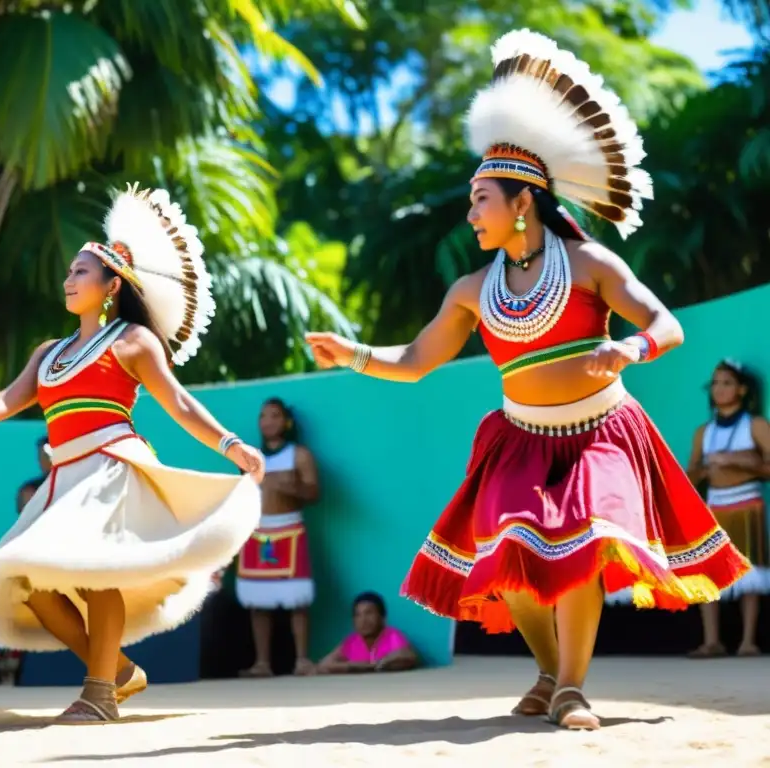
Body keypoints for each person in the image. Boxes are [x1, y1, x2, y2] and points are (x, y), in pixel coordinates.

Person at [304, 30, 750, 731]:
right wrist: (353, 353)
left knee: (584, 538)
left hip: (604, 429)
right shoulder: (471, 289)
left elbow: (667, 323)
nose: (471, 211)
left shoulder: (591, 263)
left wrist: (630, 350)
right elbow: (417, 360)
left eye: (481, 198)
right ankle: (548, 670)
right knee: (506, 551)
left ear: (522, 202)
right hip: (519, 437)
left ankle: (572, 687)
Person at [0, 184, 265, 723]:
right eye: (69, 272)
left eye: (81, 271)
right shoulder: (48, 352)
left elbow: (177, 402)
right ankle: (118, 671)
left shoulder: (133, 341)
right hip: (63, 477)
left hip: (111, 465)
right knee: (25, 584)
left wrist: (229, 443)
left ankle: (99, 692)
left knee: (98, 573)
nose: (69, 279)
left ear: (111, 286)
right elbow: (8, 402)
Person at [686, 359, 769, 657]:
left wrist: (738, 461)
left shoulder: (755, 426)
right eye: (716, 383)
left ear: (743, 389)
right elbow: (691, 474)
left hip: (747, 505)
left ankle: (748, 641)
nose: (719, 389)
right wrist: (702, 473)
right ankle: (712, 640)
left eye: (727, 383)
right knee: (708, 574)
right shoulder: (703, 432)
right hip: (714, 507)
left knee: (751, 575)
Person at [237, 398, 321, 677]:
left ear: (286, 422)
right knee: (257, 602)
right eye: (264, 416)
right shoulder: (249, 457)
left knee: (298, 599)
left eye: (275, 416)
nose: (268, 421)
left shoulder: (299, 455)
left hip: (290, 529)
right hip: (257, 532)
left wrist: (293, 487)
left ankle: (302, 660)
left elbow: (314, 493)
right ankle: (262, 663)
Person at [317, 592, 418, 674]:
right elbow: (325, 664)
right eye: (358, 615)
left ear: (382, 617)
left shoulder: (392, 636)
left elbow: (408, 656)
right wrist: (368, 666)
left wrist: (384, 662)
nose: (363, 620)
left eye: (369, 613)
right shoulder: (351, 641)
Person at [17, 436, 52, 513]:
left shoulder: (70, 484)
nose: (43, 460)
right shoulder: (29, 490)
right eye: (40, 456)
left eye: (46, 456)